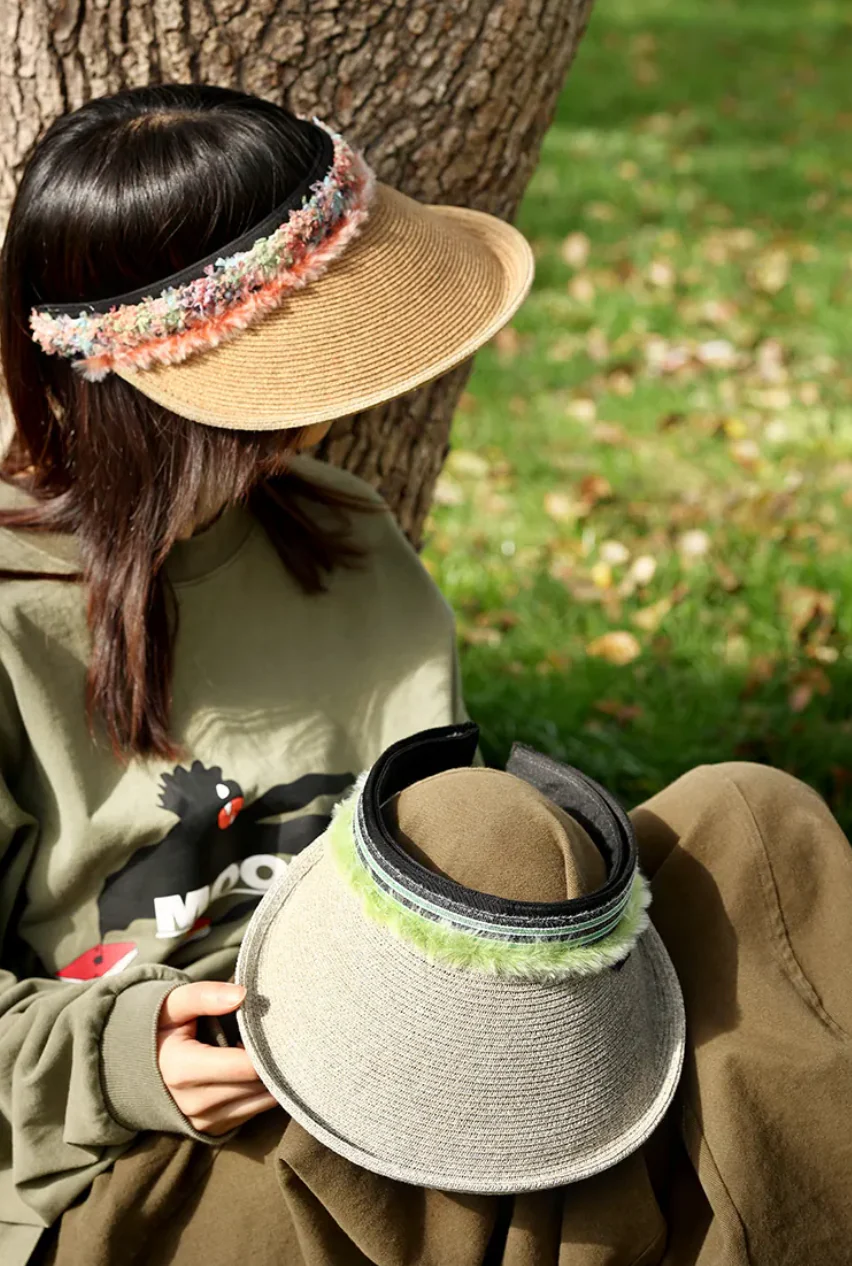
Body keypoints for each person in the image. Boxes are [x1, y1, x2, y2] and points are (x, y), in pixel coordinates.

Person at [0, 82, 533, 1265]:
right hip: (126, 1166)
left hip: (402, 1075)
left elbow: (431, 844)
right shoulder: (13, 624)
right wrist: (128, 1059)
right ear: (162, 400)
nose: (340, 411)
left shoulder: (346, 543)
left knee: (752, 829)